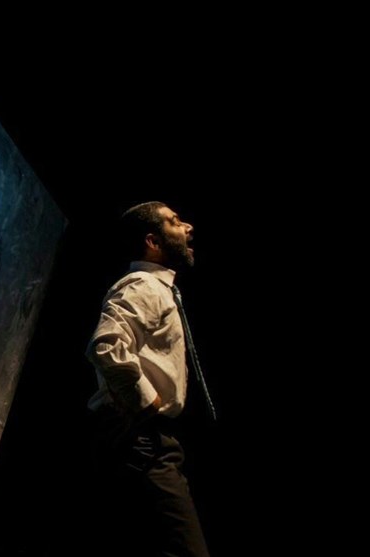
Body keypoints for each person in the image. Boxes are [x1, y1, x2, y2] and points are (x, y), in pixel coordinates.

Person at [86, 201, 212, 556]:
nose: (187, 227)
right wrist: (147, 403)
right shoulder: (143, 285)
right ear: (153, 242)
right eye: (175, 222)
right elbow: (107, 346)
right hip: (139, 434)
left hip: (146, 436)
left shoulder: (160, 289)